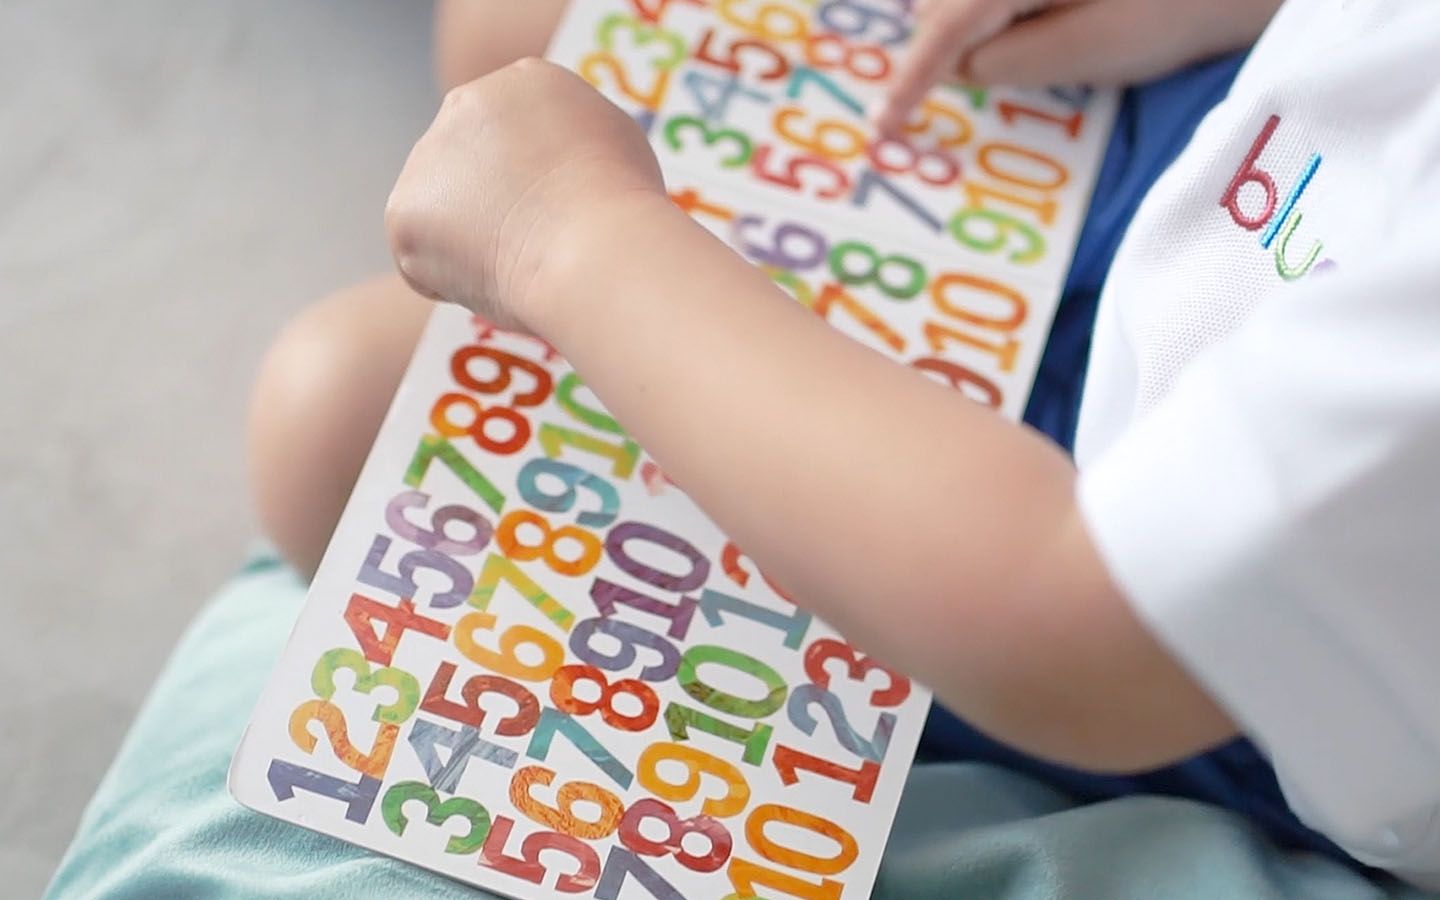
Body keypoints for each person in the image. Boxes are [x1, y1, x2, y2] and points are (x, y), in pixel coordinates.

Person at [377, 0, 1440, 890]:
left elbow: (1060, 624)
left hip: (1174, 631)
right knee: (510, 28)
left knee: (338, 408)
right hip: (1260, 159)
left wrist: (566, 236)